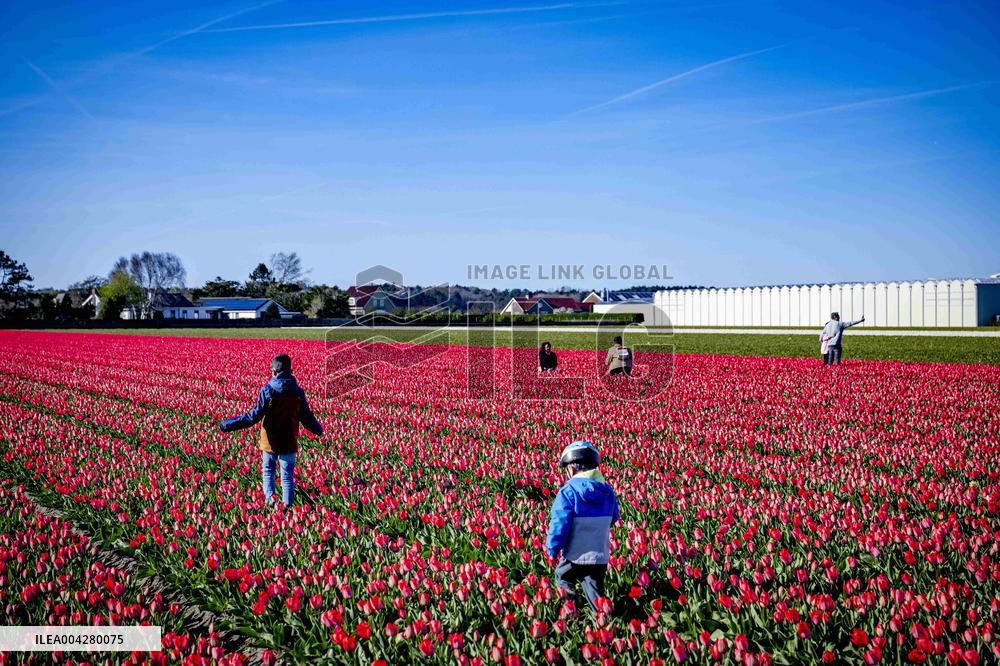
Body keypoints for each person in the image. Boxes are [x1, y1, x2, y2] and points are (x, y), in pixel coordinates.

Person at [219, 354, 323, 506]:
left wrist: (227, 425)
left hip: (270, 440)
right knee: (287, 476)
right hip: (289, 439)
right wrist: (318, 430)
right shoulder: (298, 392)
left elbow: (252, 417)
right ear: (290, 370)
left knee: (268, 471)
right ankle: (287, 508)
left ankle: (271, 503)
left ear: (274, 371)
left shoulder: (268, 391)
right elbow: (306, 417)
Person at [546, 441, 620, 612]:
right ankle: (602, 618)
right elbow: (614, 518)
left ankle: (570, 610)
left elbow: (559, 524)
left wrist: (552, 549)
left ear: (571, 469)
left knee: (562, 576)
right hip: (599, 556)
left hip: (575, 555)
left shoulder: (568, 492)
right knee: (595, 590)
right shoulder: (607, 492)